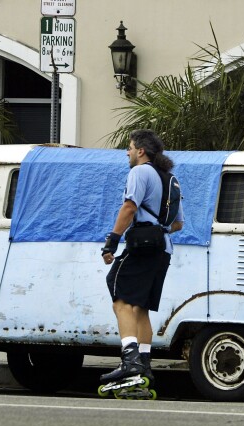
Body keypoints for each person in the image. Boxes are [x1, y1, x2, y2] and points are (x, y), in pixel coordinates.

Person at [100, 129, 184, 385]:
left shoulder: (139, 172)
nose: (127, 152)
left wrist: (112, 240)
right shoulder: (171, 180)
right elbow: (178, 224)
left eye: (129, 147)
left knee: (121, 299)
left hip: (142, 247)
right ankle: (144, 365)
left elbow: (129, 207)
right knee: (140, 308)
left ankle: (130, 362)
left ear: (141, 151)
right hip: (163, 249)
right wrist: (158, 230)